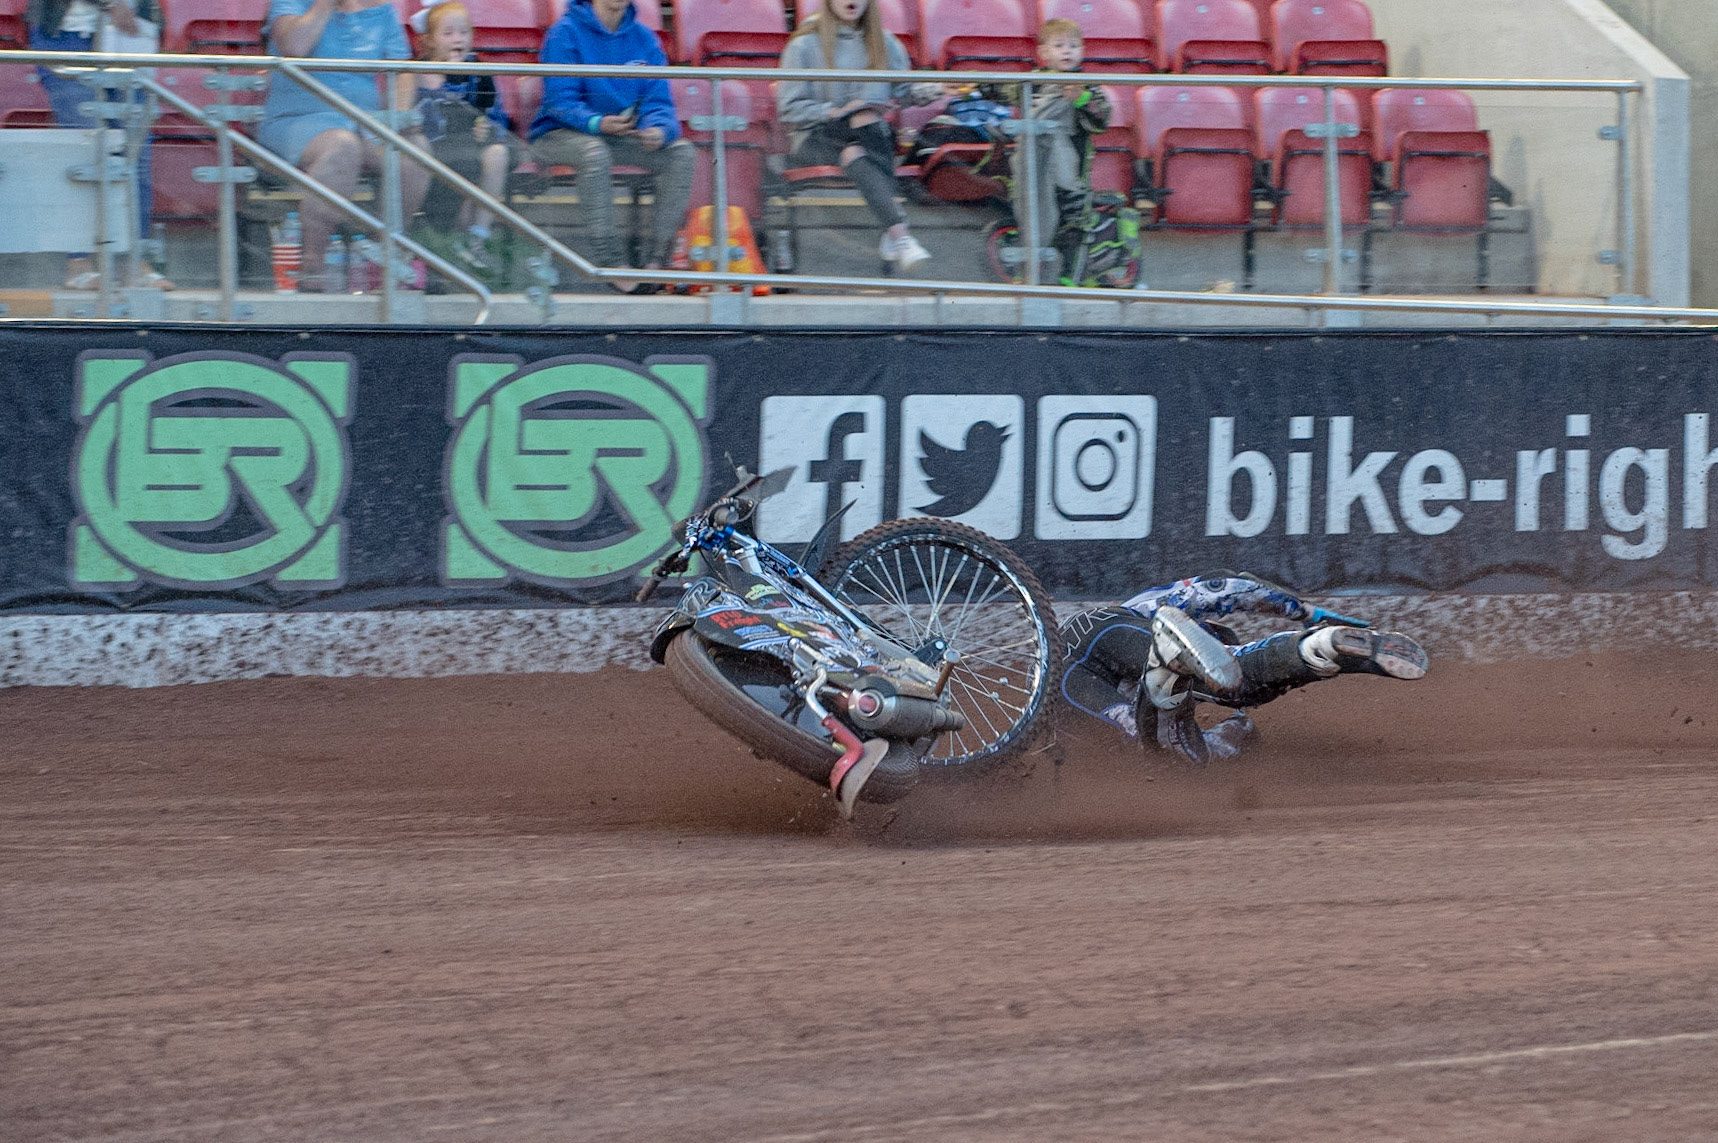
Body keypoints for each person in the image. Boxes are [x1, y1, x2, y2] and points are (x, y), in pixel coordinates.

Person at [1058, 571, 1429, 765]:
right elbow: (1222, 588)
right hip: (1093, 649)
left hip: (1063, 672)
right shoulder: (1153, 615)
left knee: (1153, 737)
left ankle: (1316, 648)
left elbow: (1220, 590)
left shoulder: (1149, 606)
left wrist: (1303, 612)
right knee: (1185, 742)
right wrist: (1239, 727)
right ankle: (1312, 649)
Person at [257, 0, 430, 291]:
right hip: (297, 120)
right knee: (341, 146)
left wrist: (396, 117)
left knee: (417, 151)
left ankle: (380, 254)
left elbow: (402, 70)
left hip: (365, 127)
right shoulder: (291, 3)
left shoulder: (382, 10)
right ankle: (313, 265)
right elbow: (294, 46)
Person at [530, 0, 694, 291]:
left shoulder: (645, 39)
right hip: (558, 134)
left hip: (620, 135)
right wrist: (596, 123)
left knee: (681, 153)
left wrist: (659, 130)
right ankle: (610, 263)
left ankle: (656, 260)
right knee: (595, 152)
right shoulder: (564, 33)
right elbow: (560, 102)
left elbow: (659, 102)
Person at [776, 0, 942, 273]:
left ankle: (897, 236)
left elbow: (904, 91)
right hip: (815, 135)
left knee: (856, 148)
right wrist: (837, 111)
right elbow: (790, 109)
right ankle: (898, 231)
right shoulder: (803, 45)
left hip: (863, 139)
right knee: (864, 121)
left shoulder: (885, 43)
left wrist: (938, 89)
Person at [28, 0, 174, 289]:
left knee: (136, 153)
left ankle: (134, 262)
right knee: (86, 146)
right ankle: (78, 262)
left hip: (128, 39)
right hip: (67, 40)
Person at [411, 0, 518, 276]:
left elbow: (496, 117)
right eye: (448, 33)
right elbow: (411, 120)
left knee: (498, 153)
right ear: (430, 41)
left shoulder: (478, 72)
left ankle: (477, 238)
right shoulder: (417, 74)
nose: (458, 39)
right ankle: (447, 250)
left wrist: (489, 131)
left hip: (471, 155)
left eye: (463, 32)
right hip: (434, 160)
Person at [1008, 17, 1110, 284]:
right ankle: (1030, 275)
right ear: (1043, 53)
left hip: (1071, 175)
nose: (1067, 51)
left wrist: (1083, 99)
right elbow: (1005, 89)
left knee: (1073, 226)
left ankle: (1069, 280)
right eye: (1059, 45)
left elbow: (1102, 119)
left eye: (1074, 46)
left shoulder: (1085, 85)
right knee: (1035, 221)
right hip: (1037, 167)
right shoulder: (1032, 82)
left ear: (1083, 51)